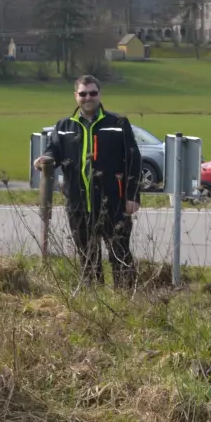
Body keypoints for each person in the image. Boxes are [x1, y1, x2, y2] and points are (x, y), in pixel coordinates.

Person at [35, 75, 141, 288]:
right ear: (76, 96)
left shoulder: (118, 123)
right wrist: (45, 159)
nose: (88, 98)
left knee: (120, 254)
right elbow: (53, 150)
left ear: (100, 94)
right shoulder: (64, 126)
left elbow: (133, 160)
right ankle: (93, 298)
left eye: (92, 93)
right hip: (78, 204)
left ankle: (126, 298)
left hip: (113, 202)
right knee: (87, 257)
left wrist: (132, 196)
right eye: (83, 94)